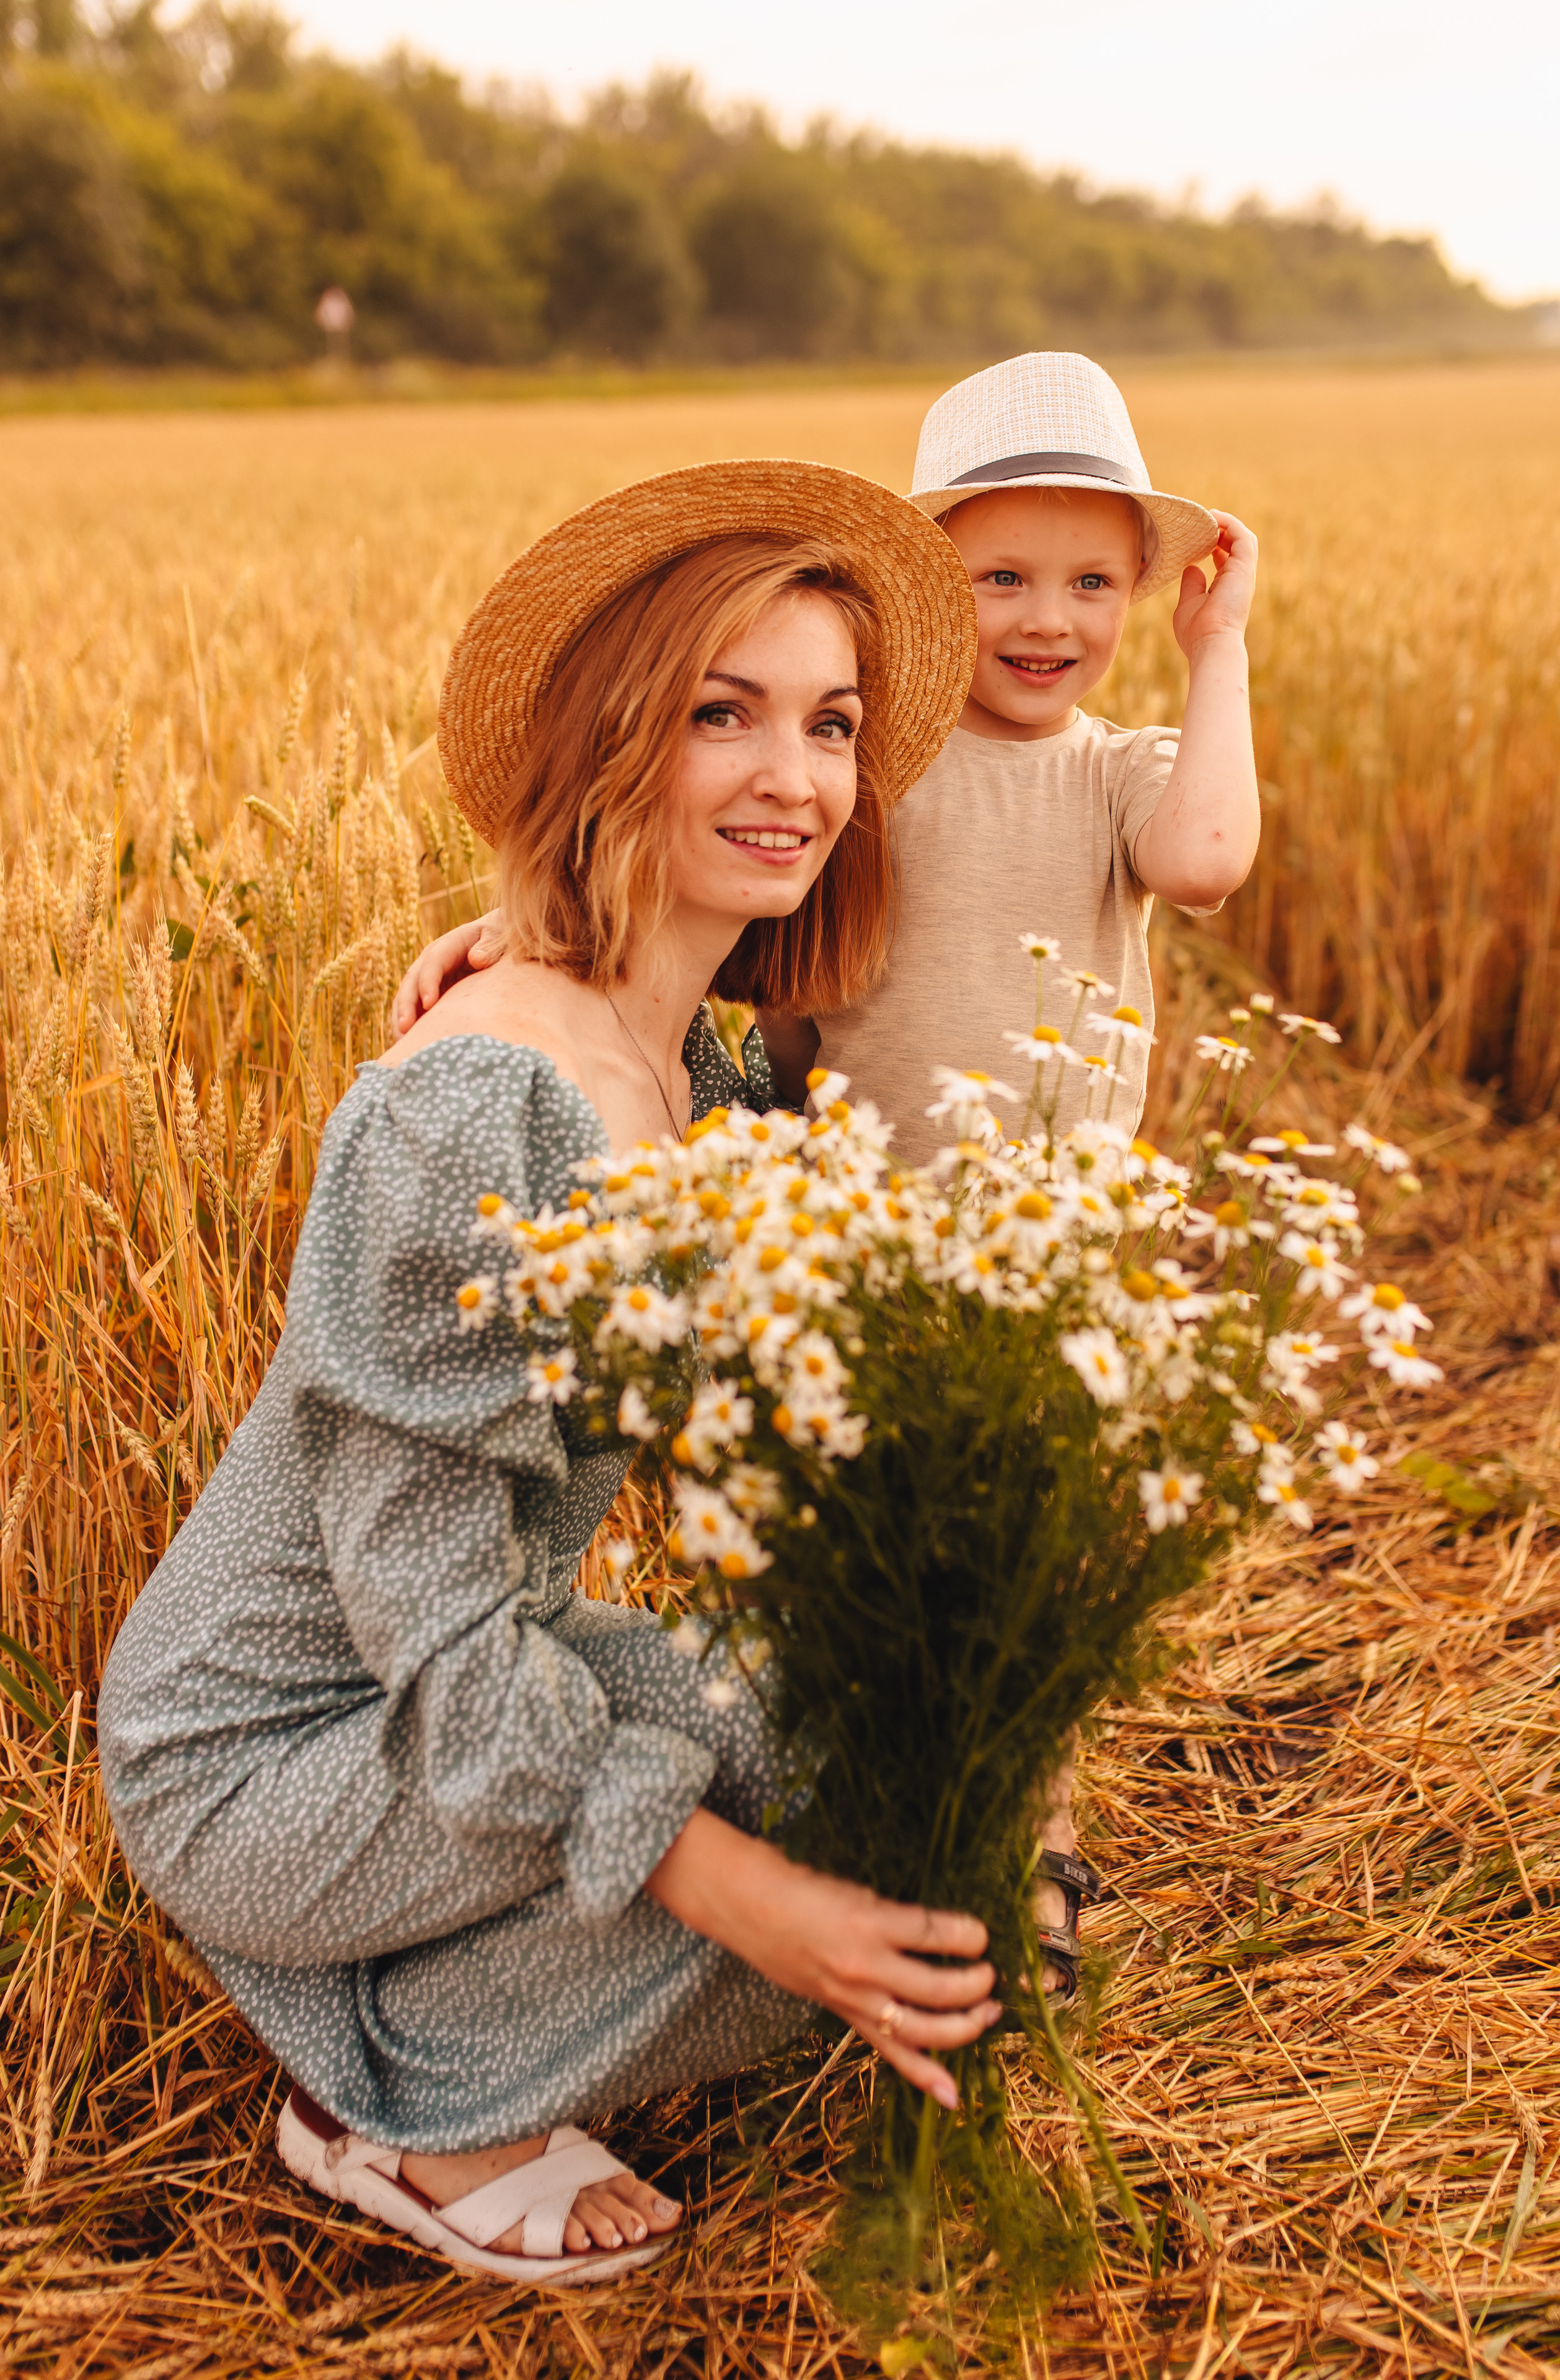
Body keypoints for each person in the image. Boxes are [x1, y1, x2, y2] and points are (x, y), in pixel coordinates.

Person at [97, 460, 999, 2290]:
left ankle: (451, 2000)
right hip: (273, 1747)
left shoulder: (699, 1072)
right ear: (612, 739)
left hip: (467, 1673)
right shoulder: (470, 1111)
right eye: (723, 714)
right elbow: (435, 1629)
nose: (798, 776)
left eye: (831, 724)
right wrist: (754, 1898)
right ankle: (401, 2105)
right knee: (814, 1908)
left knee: (905, 1802)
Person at [392, 352, 1262, 2006]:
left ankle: (1022, 1841)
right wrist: (522, 936)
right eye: (1000, 578)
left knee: (1015, 1566)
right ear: (932, 588)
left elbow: (1209, 860)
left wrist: (1218, 651)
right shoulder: (869, 769)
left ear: (1141, 598)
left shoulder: (1119, 773)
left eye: (1093, 582)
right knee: (860, 1552)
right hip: (838, 1233)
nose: (1047, 618)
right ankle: (874, 1814)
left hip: (1040, 1255)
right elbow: (708, 901)